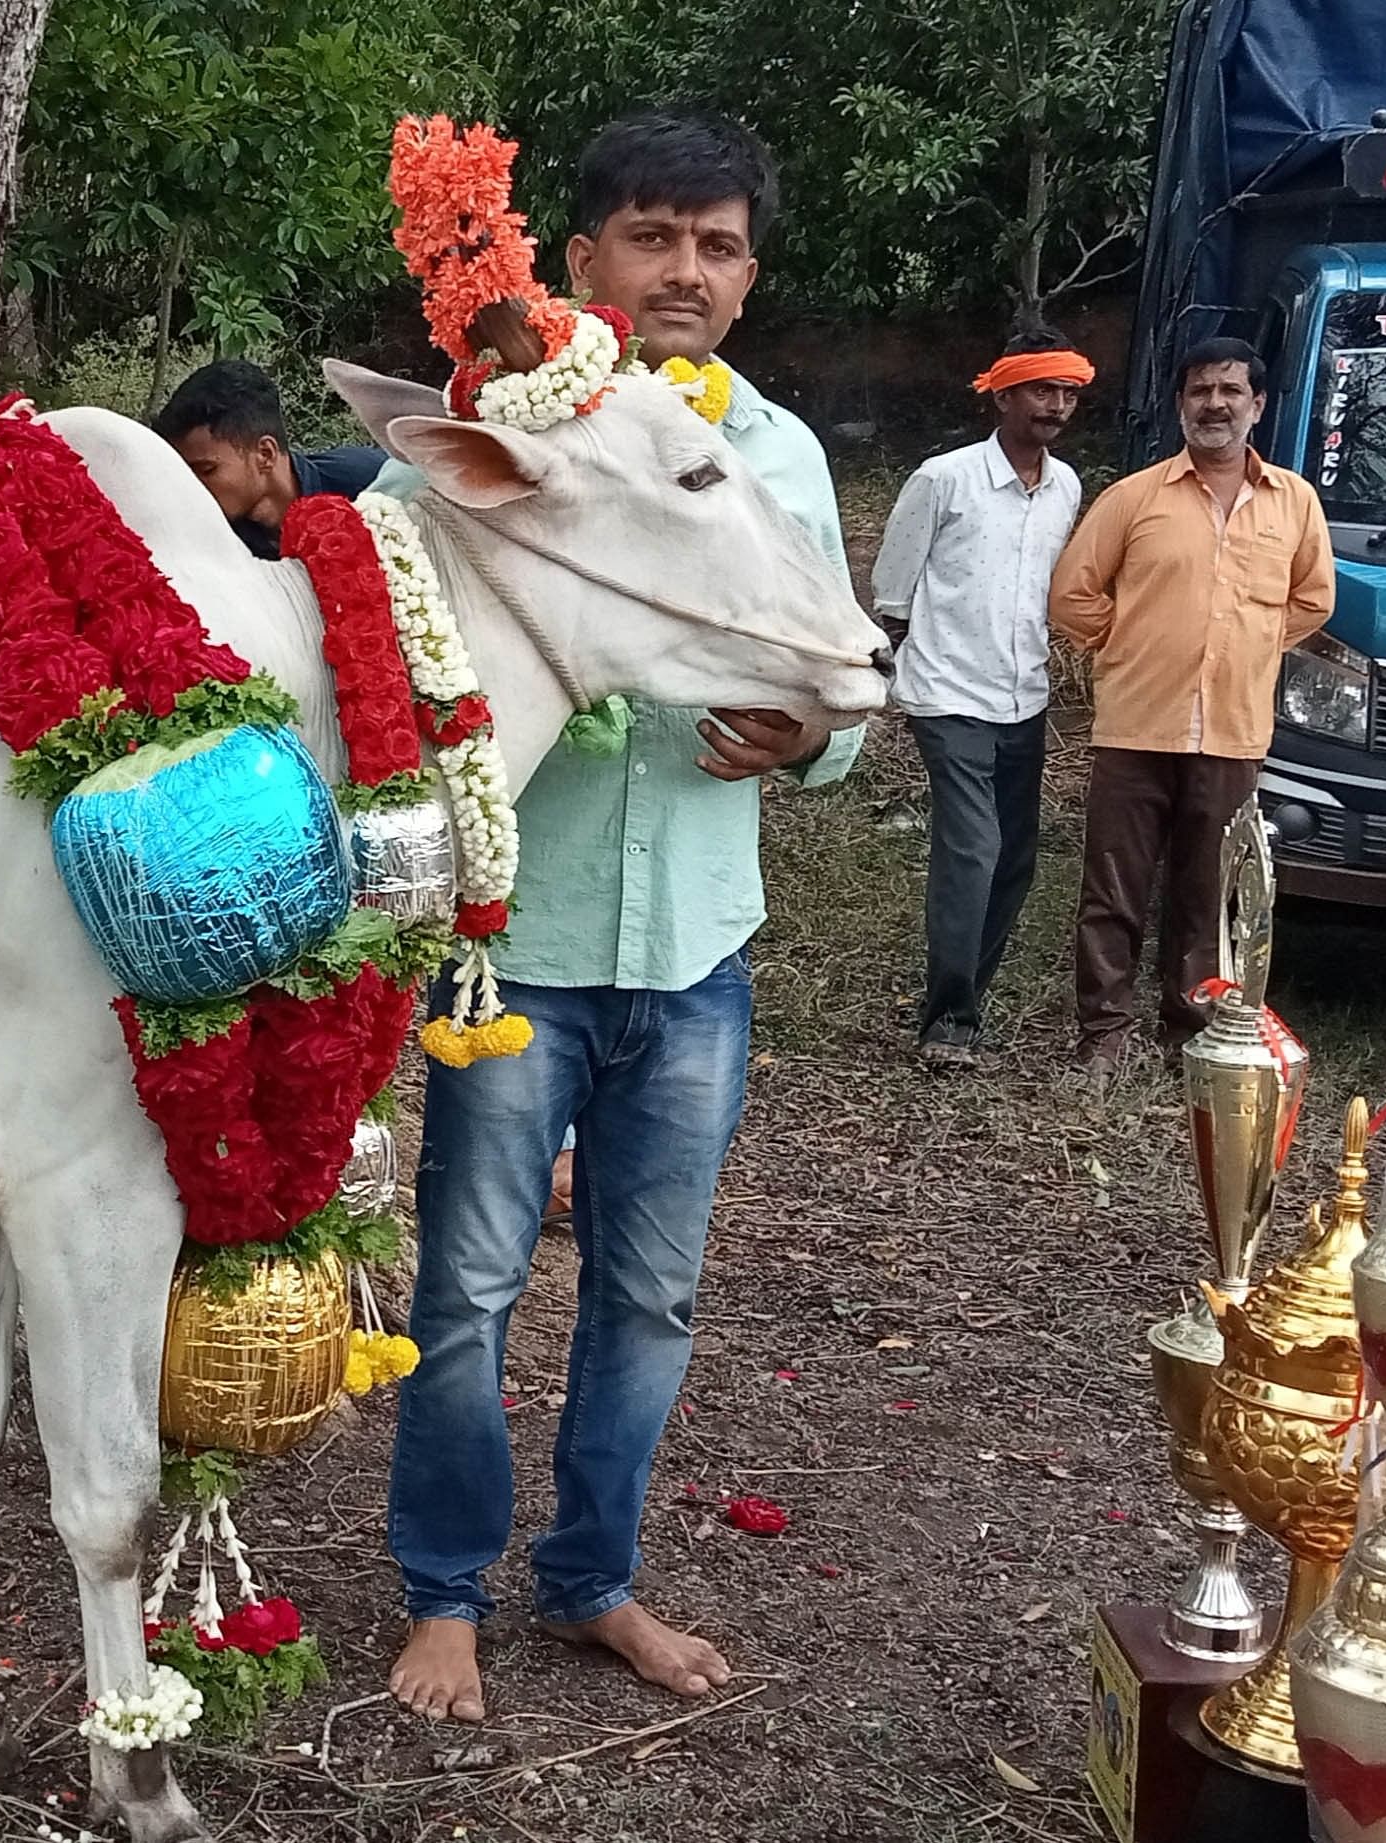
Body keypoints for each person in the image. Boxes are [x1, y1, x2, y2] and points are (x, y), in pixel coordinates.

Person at [387, 108, 865, 1724]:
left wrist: (817, 737)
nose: (683, 269)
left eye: (715, 243)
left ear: (746, 273)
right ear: (579, 257)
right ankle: (441, 1590)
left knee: (647, 1291)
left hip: (693, 958)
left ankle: (590, 1578)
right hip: (511, 953)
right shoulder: (506, 435)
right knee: (463, 1288)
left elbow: (836, 684)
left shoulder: (781, 458)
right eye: (650, 236)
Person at [1049, 336, 1334, 1076]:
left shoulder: (1293, 503)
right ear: (1179, 405)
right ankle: (1103, 1032)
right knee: (1113, 887)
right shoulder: (1134, 498)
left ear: (1257, 405)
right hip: (1136, 725)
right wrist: (1127, 642)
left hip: (1234, 732)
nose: (1214, 403)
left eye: (1229, 391)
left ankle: (1189, 1028)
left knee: (1208, 894)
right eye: (1200, 390)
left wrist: (1248, 645)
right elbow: (1071, 593)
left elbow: (1313, 598)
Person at [872, 326, 1092, 1067]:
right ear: (1001, 395)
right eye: (1040, 389)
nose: (1054, 405)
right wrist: (896, 671)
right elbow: (893, 592)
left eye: (1065, 392)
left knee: (1014, 859)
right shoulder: (945, 478)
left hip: (1021, 694)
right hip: (945, 691)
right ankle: (948, 1021)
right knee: (974, 849)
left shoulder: (1065, 486)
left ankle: (966, 994)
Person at [153, 359, 387, 559]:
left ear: (266, 454)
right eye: (183, 473)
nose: (190, 487)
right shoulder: (207, 543)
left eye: (207, 470)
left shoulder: (370, 484)